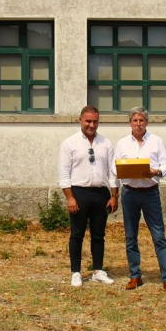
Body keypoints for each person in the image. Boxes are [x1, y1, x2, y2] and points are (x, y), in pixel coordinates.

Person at [114, 107, 166, 293]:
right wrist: (117, 184)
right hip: (130, 193)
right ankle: (135, 276)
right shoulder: (123, 143)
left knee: (159, 236)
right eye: (135, 120)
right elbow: (114, 168)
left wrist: (156, 171)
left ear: (146, 122)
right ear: (130, 123)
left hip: (150, 193)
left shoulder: (156, 141)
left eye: (141, 120)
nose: (138, 124)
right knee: (131, 236)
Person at [58, 105, 119, 287]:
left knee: (98, 235)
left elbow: (113, 171)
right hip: (79, 193)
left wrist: (114, 195)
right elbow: (64, 173)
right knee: (77, 234)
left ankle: (98, 270)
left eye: (95, 121)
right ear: (80, 120)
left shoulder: (106, 143)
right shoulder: (70, 144)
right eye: (88, 121)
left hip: (100, 193)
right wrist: (70, 197)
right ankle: (76, 272)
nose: (92, 125)